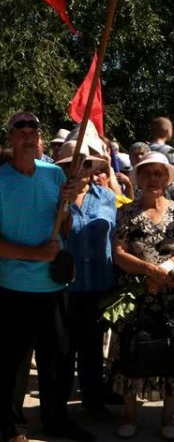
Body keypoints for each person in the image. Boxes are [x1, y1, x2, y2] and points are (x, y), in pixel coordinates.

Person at [0, 112, 94, 442]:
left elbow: (64, 227)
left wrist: (66, 207)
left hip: (54, 284)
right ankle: (11, 425)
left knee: (57, 358)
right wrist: (34, 254)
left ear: (40, 137)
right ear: (11, 137)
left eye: (33, 129)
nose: (28, 135)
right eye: (20, 129)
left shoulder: (55, 175)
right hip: (16, 286)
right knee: (13, 363)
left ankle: (56, 418)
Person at [107, 152, 174, 439]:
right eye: (147, 173)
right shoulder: (126, 211)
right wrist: (150, 272)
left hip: (170, 296)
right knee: (130, 352)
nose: (153, 179)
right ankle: (130, 416)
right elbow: (119, 253)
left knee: (172, 355)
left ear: (167, 178)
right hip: (135, 294)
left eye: (159, 173)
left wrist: (165, 276)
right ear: (138, 178)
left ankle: (168, 419)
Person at [53, 140, 117, 421]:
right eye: (70, 165)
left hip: (99, 281)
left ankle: (94, 402)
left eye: (84, 163)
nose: (78, 169)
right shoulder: (55, 197)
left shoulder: (107, 197)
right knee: (64, 349)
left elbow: (113, 232)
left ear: (91, 167)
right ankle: (58, 406)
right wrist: (63, 205)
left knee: (92, 348)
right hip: (66, 284)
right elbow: (58, 233)